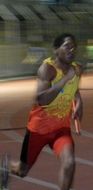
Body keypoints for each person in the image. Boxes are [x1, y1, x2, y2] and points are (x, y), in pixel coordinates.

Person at [8, 33, 83, 190]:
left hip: (61, 130)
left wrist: (79, 103)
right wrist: (64, 80)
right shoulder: (47, 69)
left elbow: (75, 91)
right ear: (56, 50)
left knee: (69, 163)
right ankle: (6, 168)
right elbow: (41, 100)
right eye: (67, 46)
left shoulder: (76, 69)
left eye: (74, 46)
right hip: (38, 131)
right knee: (22, 171)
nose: (72, 49)